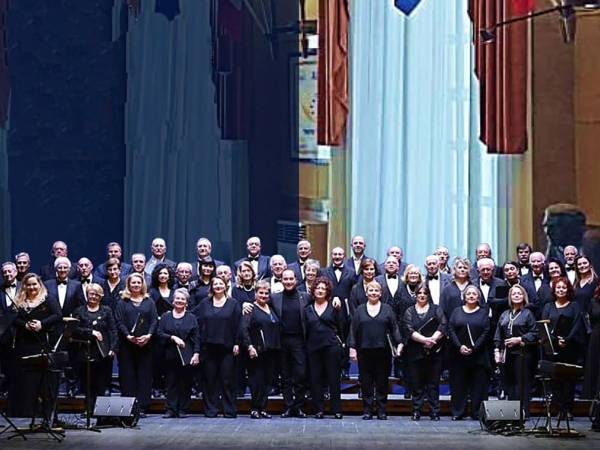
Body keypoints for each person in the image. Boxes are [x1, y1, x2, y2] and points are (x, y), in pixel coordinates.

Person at [9, 273, 62, 418]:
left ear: (40, 284)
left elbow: (58, 315)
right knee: (26, 380)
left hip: (42, 342)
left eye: (34, 284)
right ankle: (26, 412)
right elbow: (12, 319)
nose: (32, 287)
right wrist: (24, 324)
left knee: (42, 380)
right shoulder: (19, 301)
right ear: (24, 286)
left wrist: (42, 324)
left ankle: (43, 414)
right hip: (24, 344)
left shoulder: (48, 299)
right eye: (28, 284)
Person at [348, 281, 403, 420]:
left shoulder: (387, 309)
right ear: (366, 293)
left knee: (382, 382)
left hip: (383, 352)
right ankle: (367, 410)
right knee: (365, 382)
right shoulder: (360, 310)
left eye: (376, 291)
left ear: (380, 293)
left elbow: (394, 327)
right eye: (370, 290)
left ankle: (381, 410)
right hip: (364, 351)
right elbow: (353, 330)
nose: (373, 293)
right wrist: (352, 349)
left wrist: (400, 343)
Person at [192, 277, 241, 418]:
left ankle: (229, 410)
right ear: (211, 287)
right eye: (215, 284)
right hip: (208, 348)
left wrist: (237, 343)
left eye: (221, 284)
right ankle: (211, 410)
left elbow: (239, 325)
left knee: (227, 380)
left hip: (227, 348)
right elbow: (193, 317)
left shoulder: (233, 303)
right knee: (209, 380)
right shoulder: (204, 303)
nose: (218, 286)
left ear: (225, 286)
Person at [114, 273, 158, 415]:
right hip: (127, 345)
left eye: (138, 282)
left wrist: (148, 336)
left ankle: (142, 406)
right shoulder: (122, 302)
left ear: (142, 284)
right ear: (128, 284)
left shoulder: (149, 302)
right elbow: (119, 321)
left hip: (146, 345)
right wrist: (128, 336)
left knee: (144, 375)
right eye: (133, 283)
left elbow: (154, 321)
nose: (136, 285)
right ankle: (129, 407)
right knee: (127, 375)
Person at [541, 277, 583, 418]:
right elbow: (544, 327)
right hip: (552, 348)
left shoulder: (574, 306)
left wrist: (567, 339)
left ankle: (568, 409)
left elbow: (577, 325)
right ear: (554, 290)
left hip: (569, 348)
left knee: (569, 379)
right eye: (558, 287)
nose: (561, 290)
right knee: (555, 380)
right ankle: (558, 409)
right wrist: (555, 340)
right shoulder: (548, 306)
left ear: (568, 289)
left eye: (563, 287)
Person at [403, 284, 446, 421]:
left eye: (425, 293)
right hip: (415, 352)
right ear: (415, 295)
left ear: (428, 295)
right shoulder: (409, 311)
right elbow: (408, 329)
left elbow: (443, 324)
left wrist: (433, 339)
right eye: (419, 293)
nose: (422, 295)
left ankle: (434, 411)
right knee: (417, 384)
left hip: (434, 352)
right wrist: (425, 340)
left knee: (433, 384)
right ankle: (416, 411)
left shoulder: (436, 309)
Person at [494, 284, 538, 417]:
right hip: (507, 355)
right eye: (514, 294)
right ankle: (511, 414)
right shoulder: (505, 314)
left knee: (521, 384)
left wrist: (520, 339)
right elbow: (498, 333)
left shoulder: (528, 313)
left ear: (524, 296)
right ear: (510, 297)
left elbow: (535, 332)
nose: (517, 295)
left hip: (522, 354)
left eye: (519, 293)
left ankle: (523, 413)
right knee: (509, 384)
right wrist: (497, 350)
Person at [72, 283, 118, 409]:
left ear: (100, 296)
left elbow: (113, 330)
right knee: (87, 382)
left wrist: (113, 348)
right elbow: (74, 329)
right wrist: (91, 332)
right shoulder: (79, 311)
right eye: (90, 294)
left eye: (96, 295)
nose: (93, 297)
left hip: (103, 352)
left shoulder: (106, 310)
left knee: (101, 382)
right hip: (85, 351)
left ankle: (100, 410)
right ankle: (88, 409)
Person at [447, 285, 490, 420]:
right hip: (458, 355)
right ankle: (458, 412)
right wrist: (460, 346)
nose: (471, 296)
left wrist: (474, 347)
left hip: (478, 355)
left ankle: (477, 413)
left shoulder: (484, 312)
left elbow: (486, 331)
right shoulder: (456, 311)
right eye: (468, 294)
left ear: (478, 297)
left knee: (478, 385)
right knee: (458, 385)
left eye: (474, 294)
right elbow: (451, 329)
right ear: (464, 297)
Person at [304, 277, 345, 419]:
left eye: (323, 288)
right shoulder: (307, 309)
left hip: (331, 347)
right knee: (315, 379)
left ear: (327, 291)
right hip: (313, 348)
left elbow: (341, 327)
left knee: (334, 379)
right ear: (313, 290)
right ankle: (319, 409)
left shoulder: (335, 306)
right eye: (318, 288)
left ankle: (336, 409)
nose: (320, 290)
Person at [157, 288, 200, 418]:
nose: (180, 301)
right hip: (169, 355)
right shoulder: (165, 317)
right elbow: (159, 333)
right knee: (171, 382)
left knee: (185, 383)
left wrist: (196, 354)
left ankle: (182, 409)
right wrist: (172, 338)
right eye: (177, 298)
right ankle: (170, 409)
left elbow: (197, 337)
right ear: (173, 300)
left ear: (186, 302)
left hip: (187, 355)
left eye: (183, 299)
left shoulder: (192, 318)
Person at [240, 281, 280, 419]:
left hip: (271, 351)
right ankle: (255, 409)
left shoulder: (271, 307)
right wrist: (249, 346)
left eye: (266, 293)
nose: (263, 295)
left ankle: (263, 408)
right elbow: (243, 329)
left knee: (268, 381)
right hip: (256, 351)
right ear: (255, 293)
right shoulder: (250, 309)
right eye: (260, 293)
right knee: (256, 381)